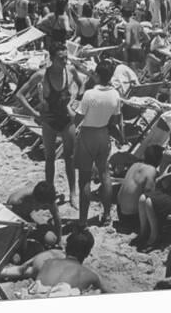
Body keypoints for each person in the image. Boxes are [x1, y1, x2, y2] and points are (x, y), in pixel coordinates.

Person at [16, 42, 83, 208]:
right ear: (52, 58)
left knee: (70, 158)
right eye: (61, 58)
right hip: (49, 121)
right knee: (50, 159)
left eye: (66, 57)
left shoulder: (71, 71)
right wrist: (34, 113)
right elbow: (20, 94)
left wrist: (76, 101)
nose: (65, 60)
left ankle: (73, 193)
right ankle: (49, 194)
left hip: (67, 119)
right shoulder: (41, 75)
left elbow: (81, 84)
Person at [74, 59, 123, 226]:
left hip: (88, 134)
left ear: (96, 75)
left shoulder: (90, 94)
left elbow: (78, 118)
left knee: (85, 179)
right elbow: (115, 119)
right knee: (105, 175)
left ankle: (82, 220)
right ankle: (107, 214)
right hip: (104, 134)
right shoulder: (115, 94)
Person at [0, 228, 106, 294]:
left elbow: (21, 271)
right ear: (87, 253)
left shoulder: (48, 262)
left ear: (66, 247)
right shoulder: (90, 276)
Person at [116, 145, 165, 232]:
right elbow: (149, 195)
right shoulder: (151, 170)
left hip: (120, 213)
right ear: (159, 159)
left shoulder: (135, 165)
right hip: (131, 217)